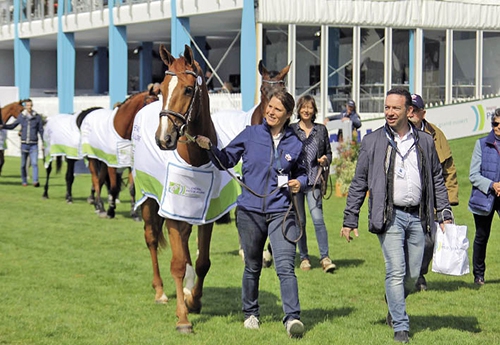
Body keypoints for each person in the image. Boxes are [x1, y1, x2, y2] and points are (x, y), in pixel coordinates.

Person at [340, 87, 452, 343]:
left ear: (408, 111)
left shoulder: (424, 141)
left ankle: (394, 301)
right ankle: (401, 326)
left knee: (412, 274)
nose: (390, 112)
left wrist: (444, 211)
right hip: (389, 216)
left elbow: (436, 177)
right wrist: (350, 218)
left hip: (419, 216)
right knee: (395, 270)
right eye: (387, 107)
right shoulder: (372, 141)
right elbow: (359, 182)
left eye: (395, 108)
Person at [195, 90, 307, 338]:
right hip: (249, 212)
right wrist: (210, 148)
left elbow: (304, 172)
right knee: (253, 265)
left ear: (288, 114)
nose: (270, 112)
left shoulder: (295, 142)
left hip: (282, 211)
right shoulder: (250, 133)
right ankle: (251, 314)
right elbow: (225, 159)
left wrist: (301, 182)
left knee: (286, 267)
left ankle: (292, 319)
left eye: (277, 109)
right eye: (269, 107)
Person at [408, 93, 459, 291]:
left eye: (415, 110)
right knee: (405, 239)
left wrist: (449, 202)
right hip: (406, 197)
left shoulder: (436, 135)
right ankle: (407, 277)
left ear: (423, 113)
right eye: (409, 109)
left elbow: (449, 168)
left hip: (430, 199)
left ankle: (419, 273)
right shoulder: (398, 133)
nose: (411, 113)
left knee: (429, 242)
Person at [290, 95, 336, 273]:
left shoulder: (321, 130)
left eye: (309, 107)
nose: (306, 110)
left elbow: (329, 153)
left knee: (318, 219)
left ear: (314, 110)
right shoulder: (292, 130)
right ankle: (304, 258)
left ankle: (325, 257)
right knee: (299, 221)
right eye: (303, 107)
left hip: (315, 181)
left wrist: (325, 159)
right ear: (299, 109)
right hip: (296, 182)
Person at [468, 108, 500, 286]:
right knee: (481, 236)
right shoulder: (481, 144)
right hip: (484, 196)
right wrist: (492, 185)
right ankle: (478, 275)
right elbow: (473, 175)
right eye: (495, 124)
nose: (498, 128)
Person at [0, 99, 44, 187]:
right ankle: (24, 181)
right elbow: (13, 126)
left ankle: (35, 181)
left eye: (30, 105)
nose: (29, 107)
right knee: (23, 164)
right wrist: (3, 126)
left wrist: (43, 142)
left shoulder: (37, 117)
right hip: (24, 144)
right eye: (27, 106)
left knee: (35, 163)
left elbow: (40, 130)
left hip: (33, 143)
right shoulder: (22, 117)